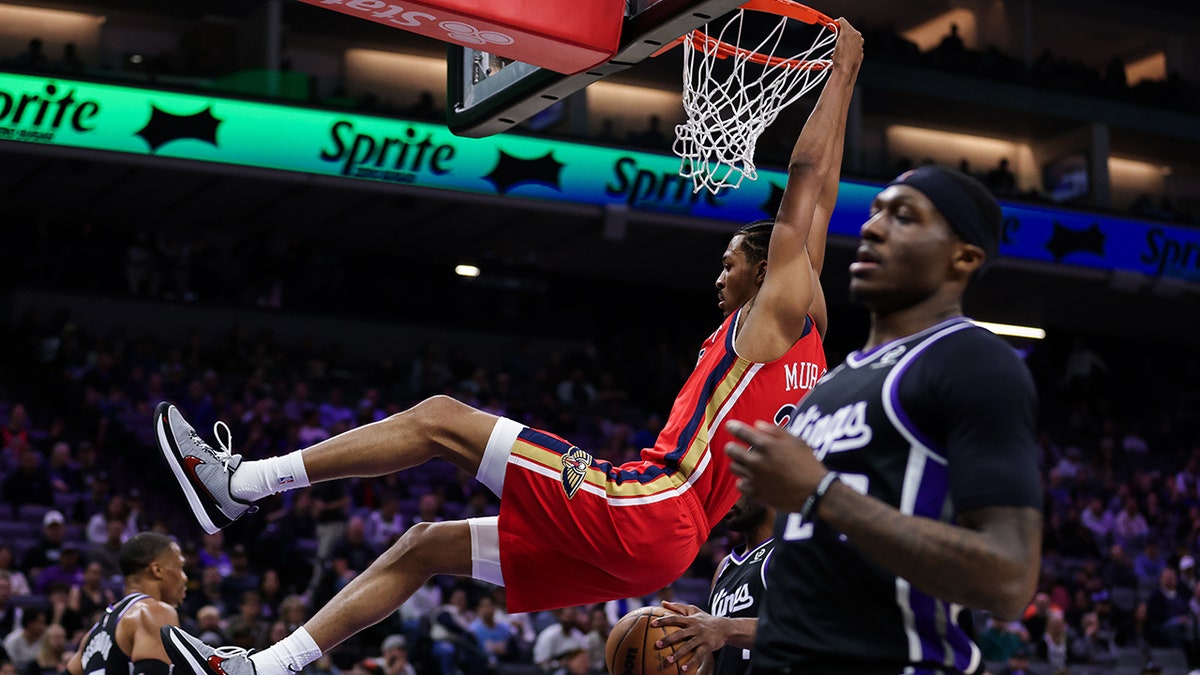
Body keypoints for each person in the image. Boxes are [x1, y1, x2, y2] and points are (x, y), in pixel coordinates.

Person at [156, 18, 864, 675]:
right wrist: (848, 76)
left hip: (650, 503)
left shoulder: (770, 315)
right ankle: (262, 666)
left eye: (730, 262)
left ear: (768, 267)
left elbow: (808, 186)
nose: (720, 276)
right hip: (661, 552)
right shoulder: (810, 341)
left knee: (439, 416)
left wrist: (839, 71)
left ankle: (241, 483)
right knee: (427, 544)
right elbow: (825, 196)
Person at [722, 163, 1043, 674]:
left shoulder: (971, 360)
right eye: (875, 212)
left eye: (904, 217)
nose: (872, 227)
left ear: (963, 258)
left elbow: (1009, 579)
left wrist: (822, 493)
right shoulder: (826, 388)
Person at [651, 494, 776, 675]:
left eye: (737, 487)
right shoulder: (724, 566)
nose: (726, 498)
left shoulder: (787, 554)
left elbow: (799, 628)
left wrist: (725, 628)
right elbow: (710, 663)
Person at [64, 533, 187, 675]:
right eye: (180, 567)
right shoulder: (154, 612)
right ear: (157, 570)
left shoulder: (92, 634)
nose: (184, 577)